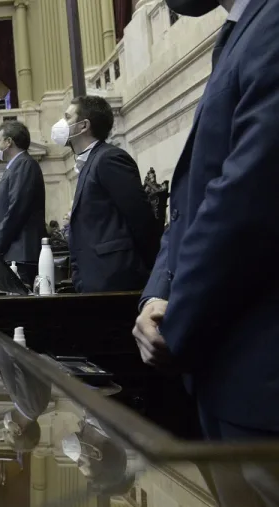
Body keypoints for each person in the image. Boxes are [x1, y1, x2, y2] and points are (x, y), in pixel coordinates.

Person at [133, 1, 279, 504]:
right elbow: (190, 198)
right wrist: (156, 297)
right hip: (228, 374)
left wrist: (178, 324)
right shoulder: (240, 31)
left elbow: (245, 200)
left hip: (261, 381)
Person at [52, 95, 158, 293]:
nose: (62, 123)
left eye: (67, 117)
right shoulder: (91, 161)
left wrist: (148, 271)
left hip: (114, 278)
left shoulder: (109, 158)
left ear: (84, 126)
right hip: (93, 277)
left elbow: (141, 218)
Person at [0, 121, 47, 284]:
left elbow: (17, 209)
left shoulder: (24, 165)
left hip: (21, 253)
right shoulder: (15, 166)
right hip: (14, 252)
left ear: (9, 142)